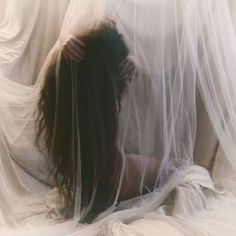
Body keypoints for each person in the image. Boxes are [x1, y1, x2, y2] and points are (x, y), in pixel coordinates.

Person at [36, 21, 160, 222]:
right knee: (179, 171)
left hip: (98, 176)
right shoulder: (99, 117)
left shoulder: (67, 106)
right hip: (116, 177)